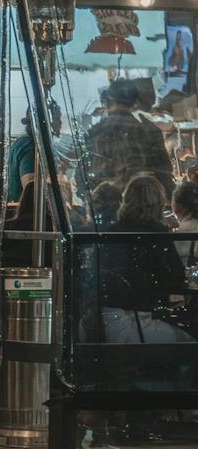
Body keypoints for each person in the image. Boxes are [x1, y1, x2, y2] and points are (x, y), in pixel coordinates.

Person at [100, 174, 190, 348]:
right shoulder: (157, 233)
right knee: (189, 343)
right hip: (139, 323)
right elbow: (176, 279)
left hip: (105, 319)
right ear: (158, 202)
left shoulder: (112, 231)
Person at [80, 78, 173, 203]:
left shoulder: (94, 133)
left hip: (107, 208)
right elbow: (165, 175)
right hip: (144, 207)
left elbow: (82, 178)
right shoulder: (150, 131)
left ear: (107, 101)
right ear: (134, 102)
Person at [4, 106, 64, 206]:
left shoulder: (22, 142)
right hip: (28, 217)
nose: (61, 123)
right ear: (45, 121)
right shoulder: (31, 146)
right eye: (57, 118)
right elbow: (32, 188)